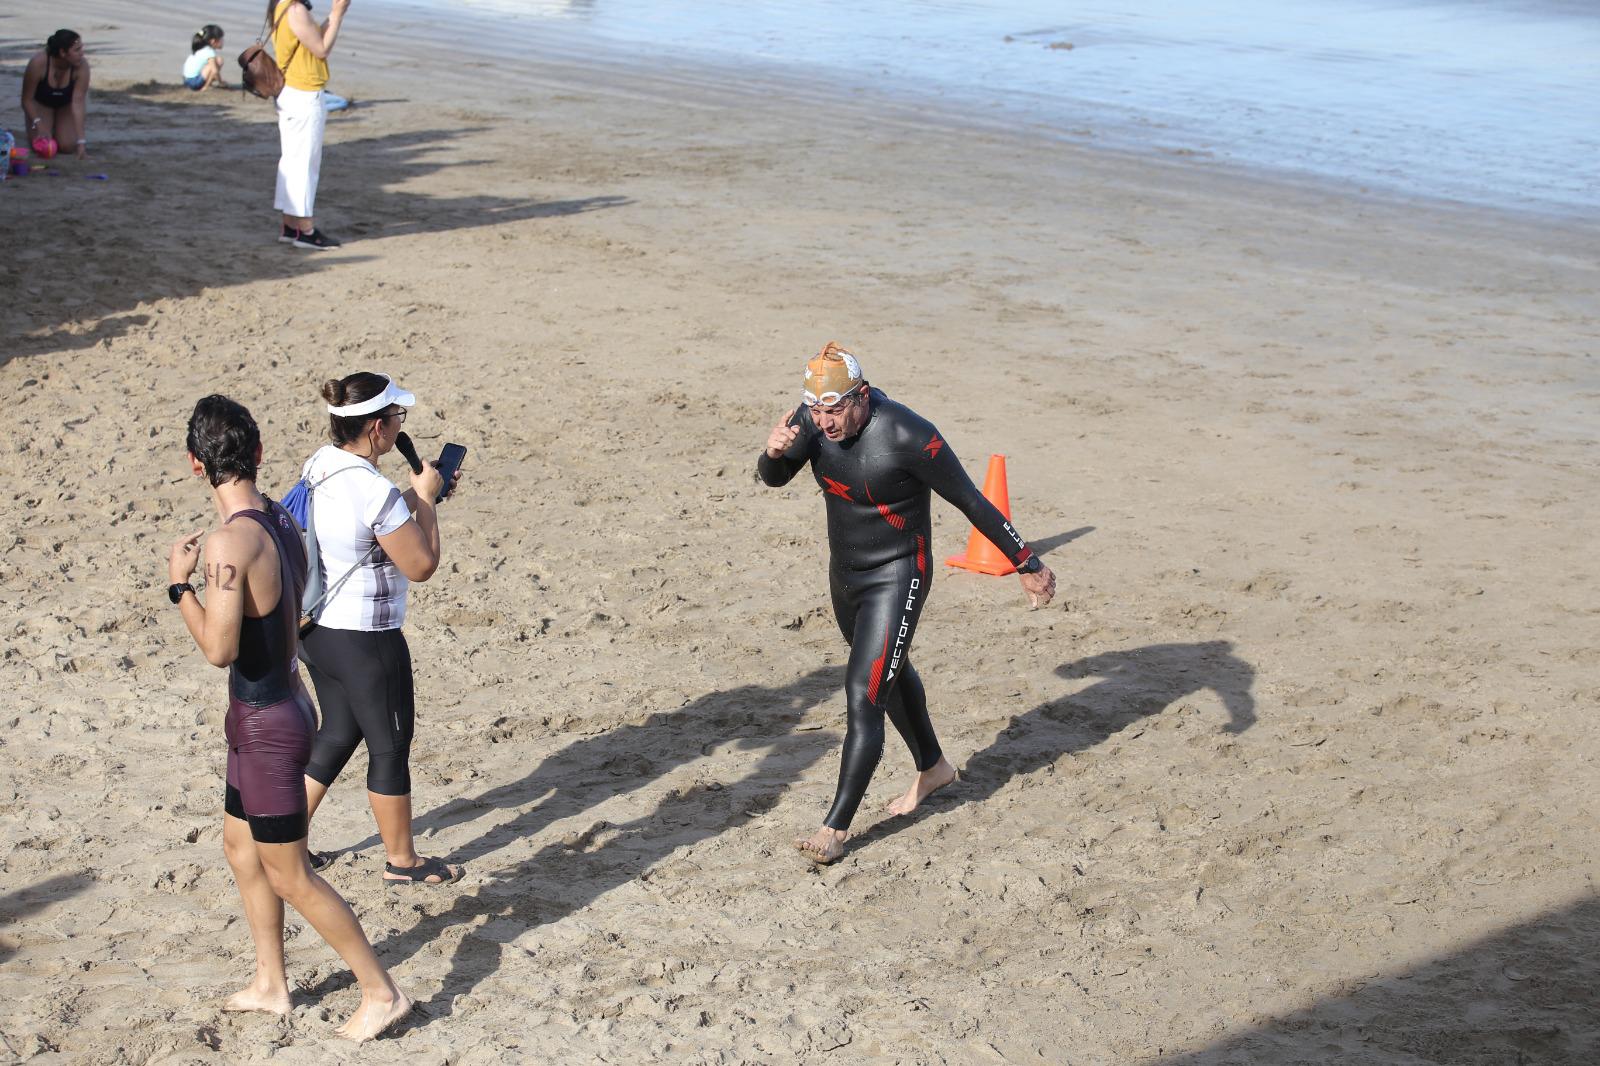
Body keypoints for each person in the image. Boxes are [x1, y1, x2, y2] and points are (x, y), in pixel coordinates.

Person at [165, 395, 411, 1042]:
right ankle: (271, 984)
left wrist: (178, 588)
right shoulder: (277, 514)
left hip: (269, 725)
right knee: (239, 848)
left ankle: (380, 991)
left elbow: (218, 649)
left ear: (195, 466)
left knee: (290, 871)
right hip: (265, 712)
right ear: (259, 454)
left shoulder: (228, 543)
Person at [757, 342, 1058, 864]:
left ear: (862, 396)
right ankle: (934, 767)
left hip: (898, 576)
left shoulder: (908, 434)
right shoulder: (809, 422)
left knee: (863, 694)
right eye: (817, 411)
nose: (825, 423)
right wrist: (774, 451)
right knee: (885, 673)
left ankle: (835, 828)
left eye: (835, 410)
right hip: (846, 575)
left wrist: (1027, 563)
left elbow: (971, 500)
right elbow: (775, 477)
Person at [299, 372, 465, 885]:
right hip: (367, 641)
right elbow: (420, 565)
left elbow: (363, 531)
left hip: (317, 631)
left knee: (338, 733)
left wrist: (415, 498)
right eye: (397, 417)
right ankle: (402, 860)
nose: (400, 425)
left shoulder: (320, 465)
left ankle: (287, 843)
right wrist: (427, 501)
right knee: (390, 747)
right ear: (376, 428)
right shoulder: (377, 493)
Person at [270, 0, 350, 249]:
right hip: (303, 94)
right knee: (304, 164)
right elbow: (322, 48)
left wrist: (336, 13)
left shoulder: (284, 6)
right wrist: (337, 14)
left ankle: (291, 226)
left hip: (293, 93)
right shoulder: (296, 9)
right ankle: (305, 230)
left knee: (293, 162)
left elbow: (313, 39)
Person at [19, 30, 90, 160]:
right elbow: (26, 100)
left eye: (82, 48)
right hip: (41, 103)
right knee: (43, 146)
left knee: (67, 146)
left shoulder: (82, 66)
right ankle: (45, 125)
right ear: (63, 53)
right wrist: (39, 125)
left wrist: (81, 143)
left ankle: (58, 127)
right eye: (77, 50)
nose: (82, 53)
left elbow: (78, 102)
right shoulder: (38, 63)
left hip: (65, 105)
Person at [183, 25, 227, 92]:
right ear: (213, 41)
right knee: (219, 61)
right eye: (221, 39)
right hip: (194, 83)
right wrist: (221, 83)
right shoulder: (209, 52)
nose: (223, 41)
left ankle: (207, 84)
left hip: (186, 80)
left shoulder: (200, 48)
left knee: (213, 64)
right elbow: (215, 71)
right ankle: (206, 86)